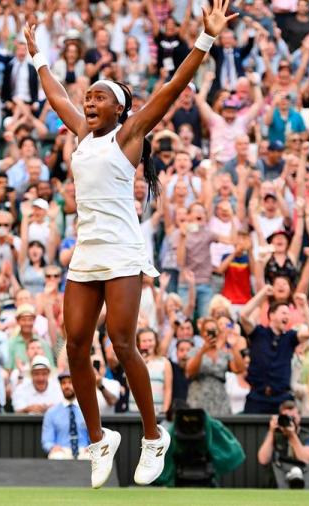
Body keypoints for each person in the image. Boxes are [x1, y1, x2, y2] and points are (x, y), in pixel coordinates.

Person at [23, 2, 236, 487]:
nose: (89, 102)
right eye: (88, 97)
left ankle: (152, 434)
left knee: (120, 342)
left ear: (120, 108)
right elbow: (57, 96)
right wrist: (38, 58)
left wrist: (204, 39)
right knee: (75, 344)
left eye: (99, 97)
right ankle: (101, 441)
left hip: (121, 250)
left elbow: (173, 89)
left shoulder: (130, 135)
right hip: (86, 252)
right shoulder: (80, 132)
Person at [240, 287, 309, 414]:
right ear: (271, 315)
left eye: (288, 314)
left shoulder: (290, 337)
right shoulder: (258, 333)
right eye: (283, 312)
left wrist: (304, 306)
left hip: (282, 398)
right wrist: (262, 294)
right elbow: (243, 315)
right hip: (257, 396)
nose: (287, 316)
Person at [185, 318, 245, 417]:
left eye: (214, 330)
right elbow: (190, 371)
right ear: (202, 333)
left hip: (220, 400)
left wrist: (233, 346)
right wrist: (203, 350)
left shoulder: (224, 353)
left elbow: (239, 369)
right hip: (198, 399)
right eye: (208, 331)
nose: (211, 333)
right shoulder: (195, 351)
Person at [257, 400, 309, 488]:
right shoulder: (274, 435)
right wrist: (271, 431)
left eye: (293, 417)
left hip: (304, 481)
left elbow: (306, 459)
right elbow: (263, 459)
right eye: (286, 417)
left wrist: (292, 436)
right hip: (276, 483)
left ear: (299, 417)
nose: (290, 421)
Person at [41, 371, 90, 460]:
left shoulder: (88, 410)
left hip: (84, 449)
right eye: (63, 383)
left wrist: (91, 447)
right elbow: (47, 441)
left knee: (92, 457)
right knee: (56, 456)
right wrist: (52, 447)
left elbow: (95, 436)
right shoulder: (51, 413)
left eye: (70, 382)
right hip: (62, 450)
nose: (67, 386)